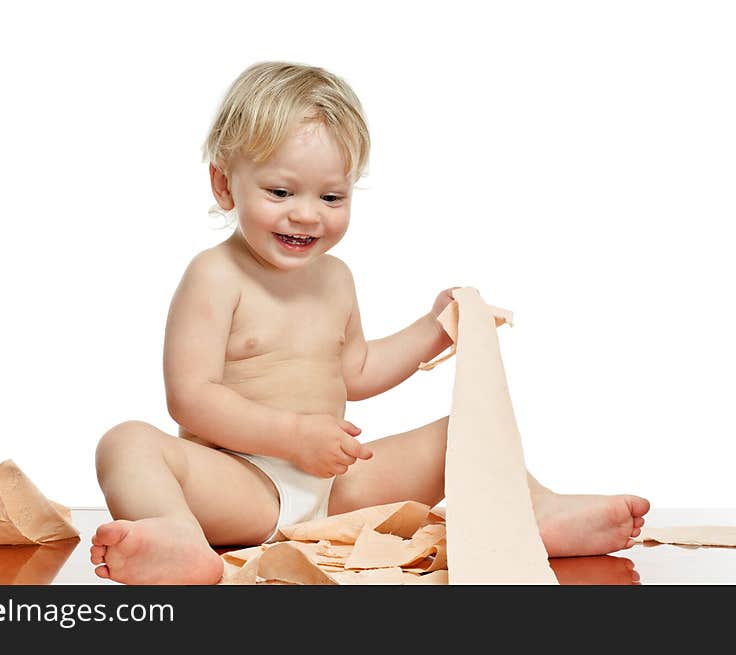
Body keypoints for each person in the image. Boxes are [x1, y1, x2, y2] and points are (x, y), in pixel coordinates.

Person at [89, 61, 650, 585]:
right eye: (280, 192)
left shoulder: (335, 278)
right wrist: (292, 436)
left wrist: (431, 328)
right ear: (222, 184)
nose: (307, 213)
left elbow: (354, 371)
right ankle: (178, 534)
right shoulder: (214, 276)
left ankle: (535, 511)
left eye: (331, 196)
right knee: (125, 443)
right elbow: (190, 397)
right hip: (240, 483)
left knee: (464, 429)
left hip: (337, 486)